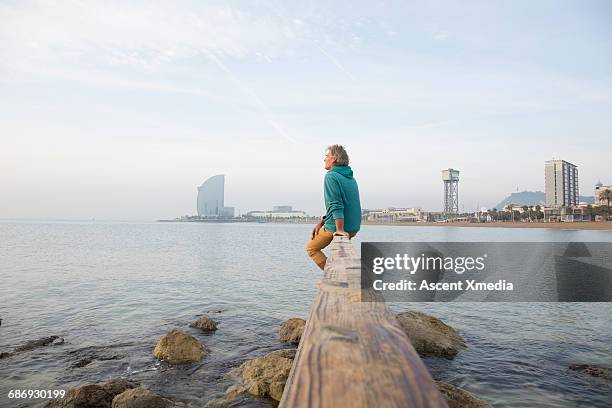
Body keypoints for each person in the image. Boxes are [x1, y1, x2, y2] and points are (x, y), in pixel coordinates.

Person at [306, 144, 361, 270]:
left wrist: (339, 230)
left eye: (327, 156)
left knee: (312, 249)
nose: (324, 159)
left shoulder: (331, 176)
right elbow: (341, 204)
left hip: (339, 227)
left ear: (334, 159)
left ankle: (334, 275)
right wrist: (322, 221)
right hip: (353, 227)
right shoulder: (350, 177)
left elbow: (336, 204)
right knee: (338, 258)